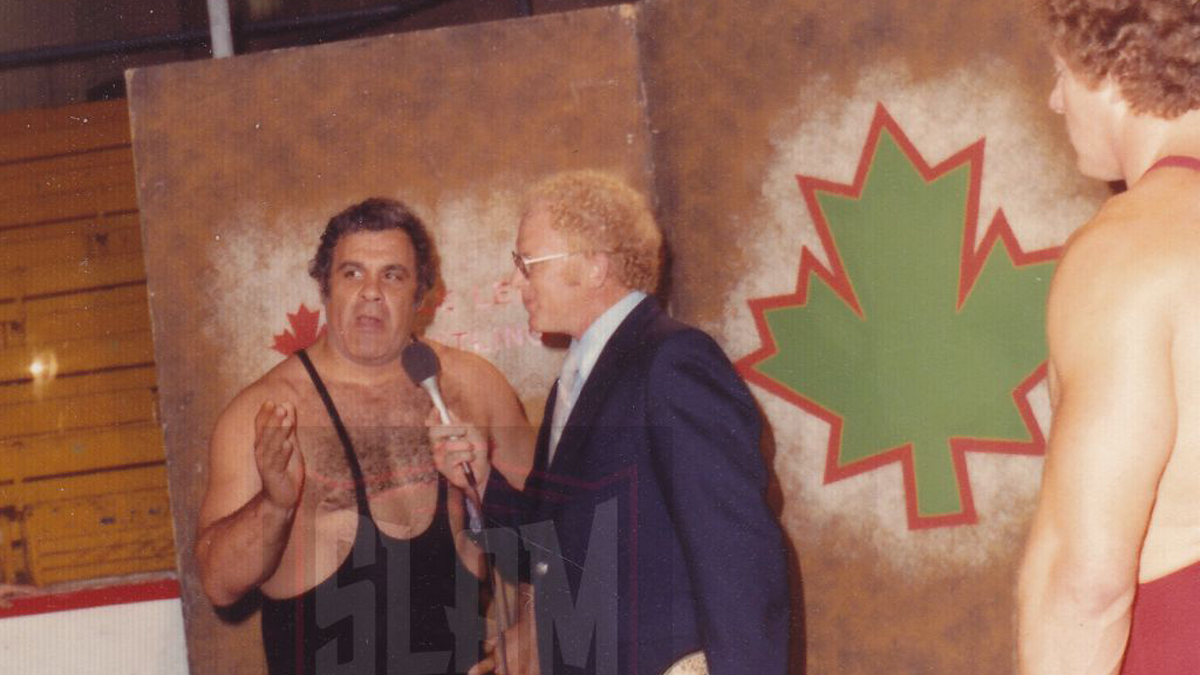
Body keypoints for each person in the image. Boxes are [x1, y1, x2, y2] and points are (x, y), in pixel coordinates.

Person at [431, 170, 790, 675]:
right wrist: (481, 479)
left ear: (595, 268)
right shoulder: (574, 383)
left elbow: (740, 560)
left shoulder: (673, 363)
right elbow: (544, 556)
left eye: (527, 262)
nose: (515, 282)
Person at [194, 198, 535, 675]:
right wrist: (274, 505)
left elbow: (552, 531)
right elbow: (218, 584)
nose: (371, 292)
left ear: (421, 294)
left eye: (393, 275)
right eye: (352, 273)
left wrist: (529, 634)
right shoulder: (266, 411)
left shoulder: (474, 387)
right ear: (325, 287)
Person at [1017, 1, 1200, 672]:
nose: (1056, 99)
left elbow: (1086, 583)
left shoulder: (1130, 249)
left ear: (1113, 71)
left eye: (1062, 71)